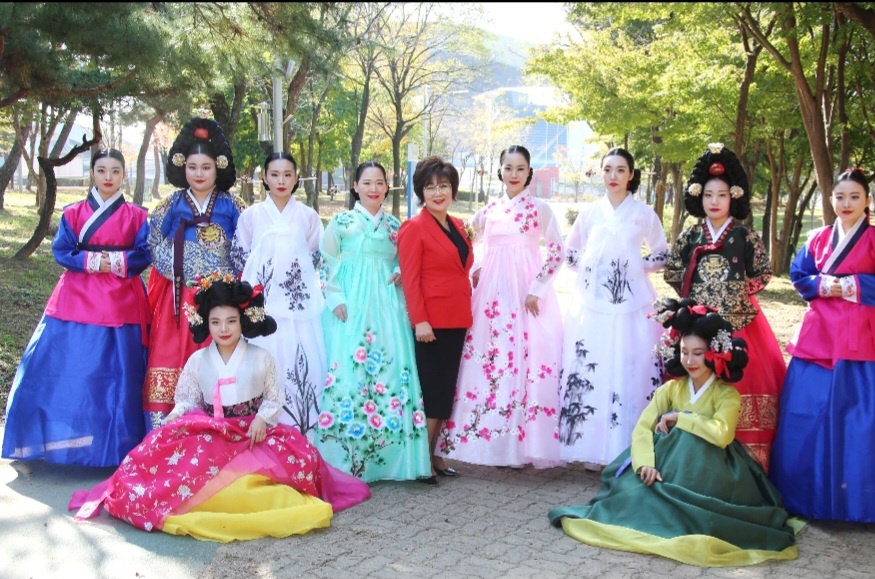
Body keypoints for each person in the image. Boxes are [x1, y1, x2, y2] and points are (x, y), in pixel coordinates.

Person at [69, 275, 371, 542]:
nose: (223, 329)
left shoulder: (261, 357)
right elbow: (187, 400)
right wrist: (174, 419)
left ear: (243, 321)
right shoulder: (198, 361)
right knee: (161, 467)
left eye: (231, 321)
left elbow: (274, 397)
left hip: (251, 431)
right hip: (211, 430)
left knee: (298, 466)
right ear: (206, 323)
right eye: (215, 322)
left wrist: (263, 418)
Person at [548, 298, 799, 567]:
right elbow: (644, 427)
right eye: (684, 351)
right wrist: (645, 463)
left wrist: (681, 418)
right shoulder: (671, 390)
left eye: (698, 353)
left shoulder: (726, 395)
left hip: (711, 470)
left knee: (689, 448)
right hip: (664, 467)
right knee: (633, 496)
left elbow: (722, 434)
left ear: (713, 353)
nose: (689, 360)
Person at [2, 149, 151, 467]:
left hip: (122, 299)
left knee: (120, 375)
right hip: (77, 295)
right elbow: (62, 250)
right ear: (92, 173)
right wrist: (93, 261)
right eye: (101, 170)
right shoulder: (72, 213)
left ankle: (119, 448)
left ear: (124, 175)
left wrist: (118, 261)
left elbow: (143, 253)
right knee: (72, 368)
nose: (108, 177)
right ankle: (63, 441)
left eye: (115, 171)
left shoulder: (138, 216)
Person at [439, 145, 564, 468]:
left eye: (520, 168)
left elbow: (557, 252)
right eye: (508, 168)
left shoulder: (540, 209)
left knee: (523, 357)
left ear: (529, 172)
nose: (514, 174)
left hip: (525, 291)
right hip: (491, 294)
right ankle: (489, 442)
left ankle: (520, 445)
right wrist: (477, 266)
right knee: (490, 357)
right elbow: (466, 243)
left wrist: (538, 288)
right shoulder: (489, 210)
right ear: (500, 171)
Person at [664, 143, 784, 472]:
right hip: (698, 321)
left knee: (742, 381)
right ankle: (690, 458)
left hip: (739, 322)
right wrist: (696, 295)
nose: (714, 201)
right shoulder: (691, 235)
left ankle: (746, 466)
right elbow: (672, 271)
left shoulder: (744, 235)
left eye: (721, 195)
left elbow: (763, 273)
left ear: (733, 197)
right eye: (708, 195)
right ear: (699, 198)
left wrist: (735, 293)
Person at [315, 161, 431, 482]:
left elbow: (406, 260)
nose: (373, 188)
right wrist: (335, 298)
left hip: (388, 305)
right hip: (352, 303)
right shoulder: (341, 222)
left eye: (379, 182)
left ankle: (393, 458)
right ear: (355, 187)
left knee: (391, 369)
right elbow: (327, 261)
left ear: (387, 187)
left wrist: (400, 271)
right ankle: (346, 458)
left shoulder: (395, 225)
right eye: (366, 182)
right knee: (350, 368)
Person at [770, 168, 875, 522]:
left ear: (867, 201)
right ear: (830, 199)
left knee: (859, 415)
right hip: (818, 335)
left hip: (861, 337)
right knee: (806, 409)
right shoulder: (817, 238)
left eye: (855, 197)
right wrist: (822, 285)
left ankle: (857, 503)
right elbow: (799, 276)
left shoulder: (873, 239)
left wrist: (853, 285)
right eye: (840, 197)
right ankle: (804, 496)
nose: (846, 203)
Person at [558, 148, 668, 467]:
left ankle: (627, 447)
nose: (613, 176)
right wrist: (594, 270)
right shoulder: (591, 212)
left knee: (628, 365)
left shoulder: (643, 213)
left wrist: (636, 267)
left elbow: (662, 252)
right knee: (593, 364)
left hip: (633, 304)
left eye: (620, 170)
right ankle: (589, 448)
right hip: (592, 304)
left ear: (631, 175)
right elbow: (569, 252)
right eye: (607, 169)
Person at [143, 118, 245, 429]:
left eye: (206, 167)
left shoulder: (233, 205)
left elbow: (246, 245)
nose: (199, 174)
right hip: (179, 293)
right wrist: (183, 267)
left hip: (220, 296)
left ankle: (218, 423)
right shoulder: (171, 204)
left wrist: (224, 275)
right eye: (192, 167)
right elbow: (153, 240)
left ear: (218, 169)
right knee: (170, 352)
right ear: (183, 168)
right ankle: (166, 426)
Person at [230, 152, 326, 439]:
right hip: (262, 308)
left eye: (287, 174)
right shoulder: (251, 216)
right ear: (264, 177)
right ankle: (262, 435)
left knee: (304, 368)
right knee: (264, 366)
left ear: (297, 178)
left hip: (299, 310)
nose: (281, 180)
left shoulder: (308, 216)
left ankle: (302, 436)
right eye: (274, 174)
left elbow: (316, 256)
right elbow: (239, 256)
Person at [397, 156, 473, 484]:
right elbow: (410, 279)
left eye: (443, 186)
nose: (437, 192)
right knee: (432, 394)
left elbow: (460, 266)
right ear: (421, 193)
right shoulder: (414, 228)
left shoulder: (458, 225)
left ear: (453, 190)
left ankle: (435, 454)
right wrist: (420, 321)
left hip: (457, 318)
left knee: (446, 392)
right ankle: (422, 460)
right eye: (430, 187)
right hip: (431, 324)